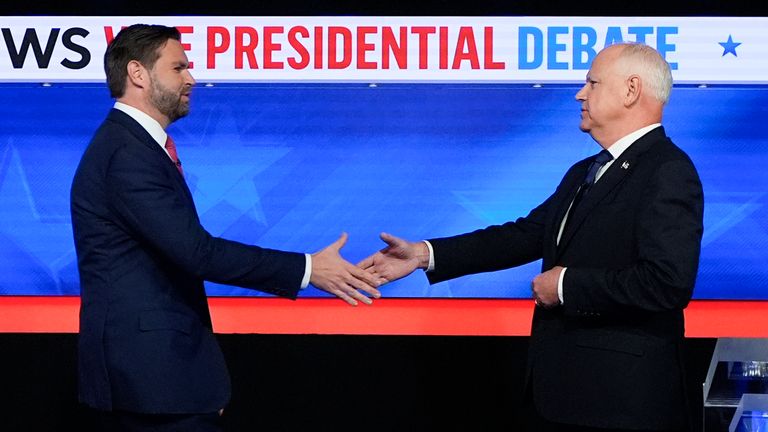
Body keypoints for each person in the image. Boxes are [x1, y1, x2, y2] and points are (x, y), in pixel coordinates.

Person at [360, 42, 704, 432]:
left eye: (592, 82)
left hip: (622, 404)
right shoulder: (584, 171)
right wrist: (424, 255)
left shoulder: (667, 171)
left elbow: (667, 284)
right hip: (566, 397)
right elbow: (524, 235)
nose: (580, 93)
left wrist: (567, 285)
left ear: (630, 90)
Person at [70, 24, 380, 431]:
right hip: (151, 383)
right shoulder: (126, 153)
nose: (191, 79)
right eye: (178, 68)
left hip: (164, 381)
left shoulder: (133, 146)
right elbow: (196, 252)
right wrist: (307, 269)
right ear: (138, 74)